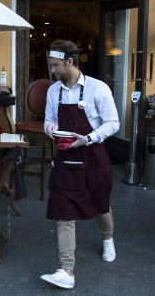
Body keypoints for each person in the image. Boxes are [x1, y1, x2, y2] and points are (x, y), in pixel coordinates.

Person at [42, 40, 120, 289]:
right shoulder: (53, 91)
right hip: (65, 159)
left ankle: (107, 237)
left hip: (93, 157)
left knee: (100, 203)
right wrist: (50, 128)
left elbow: (113, 122)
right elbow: (48, 120)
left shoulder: (98, 89)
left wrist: (88, 138)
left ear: (69, 62)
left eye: (55, 65)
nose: (52, 70)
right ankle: (67, 271)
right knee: (64, 213)